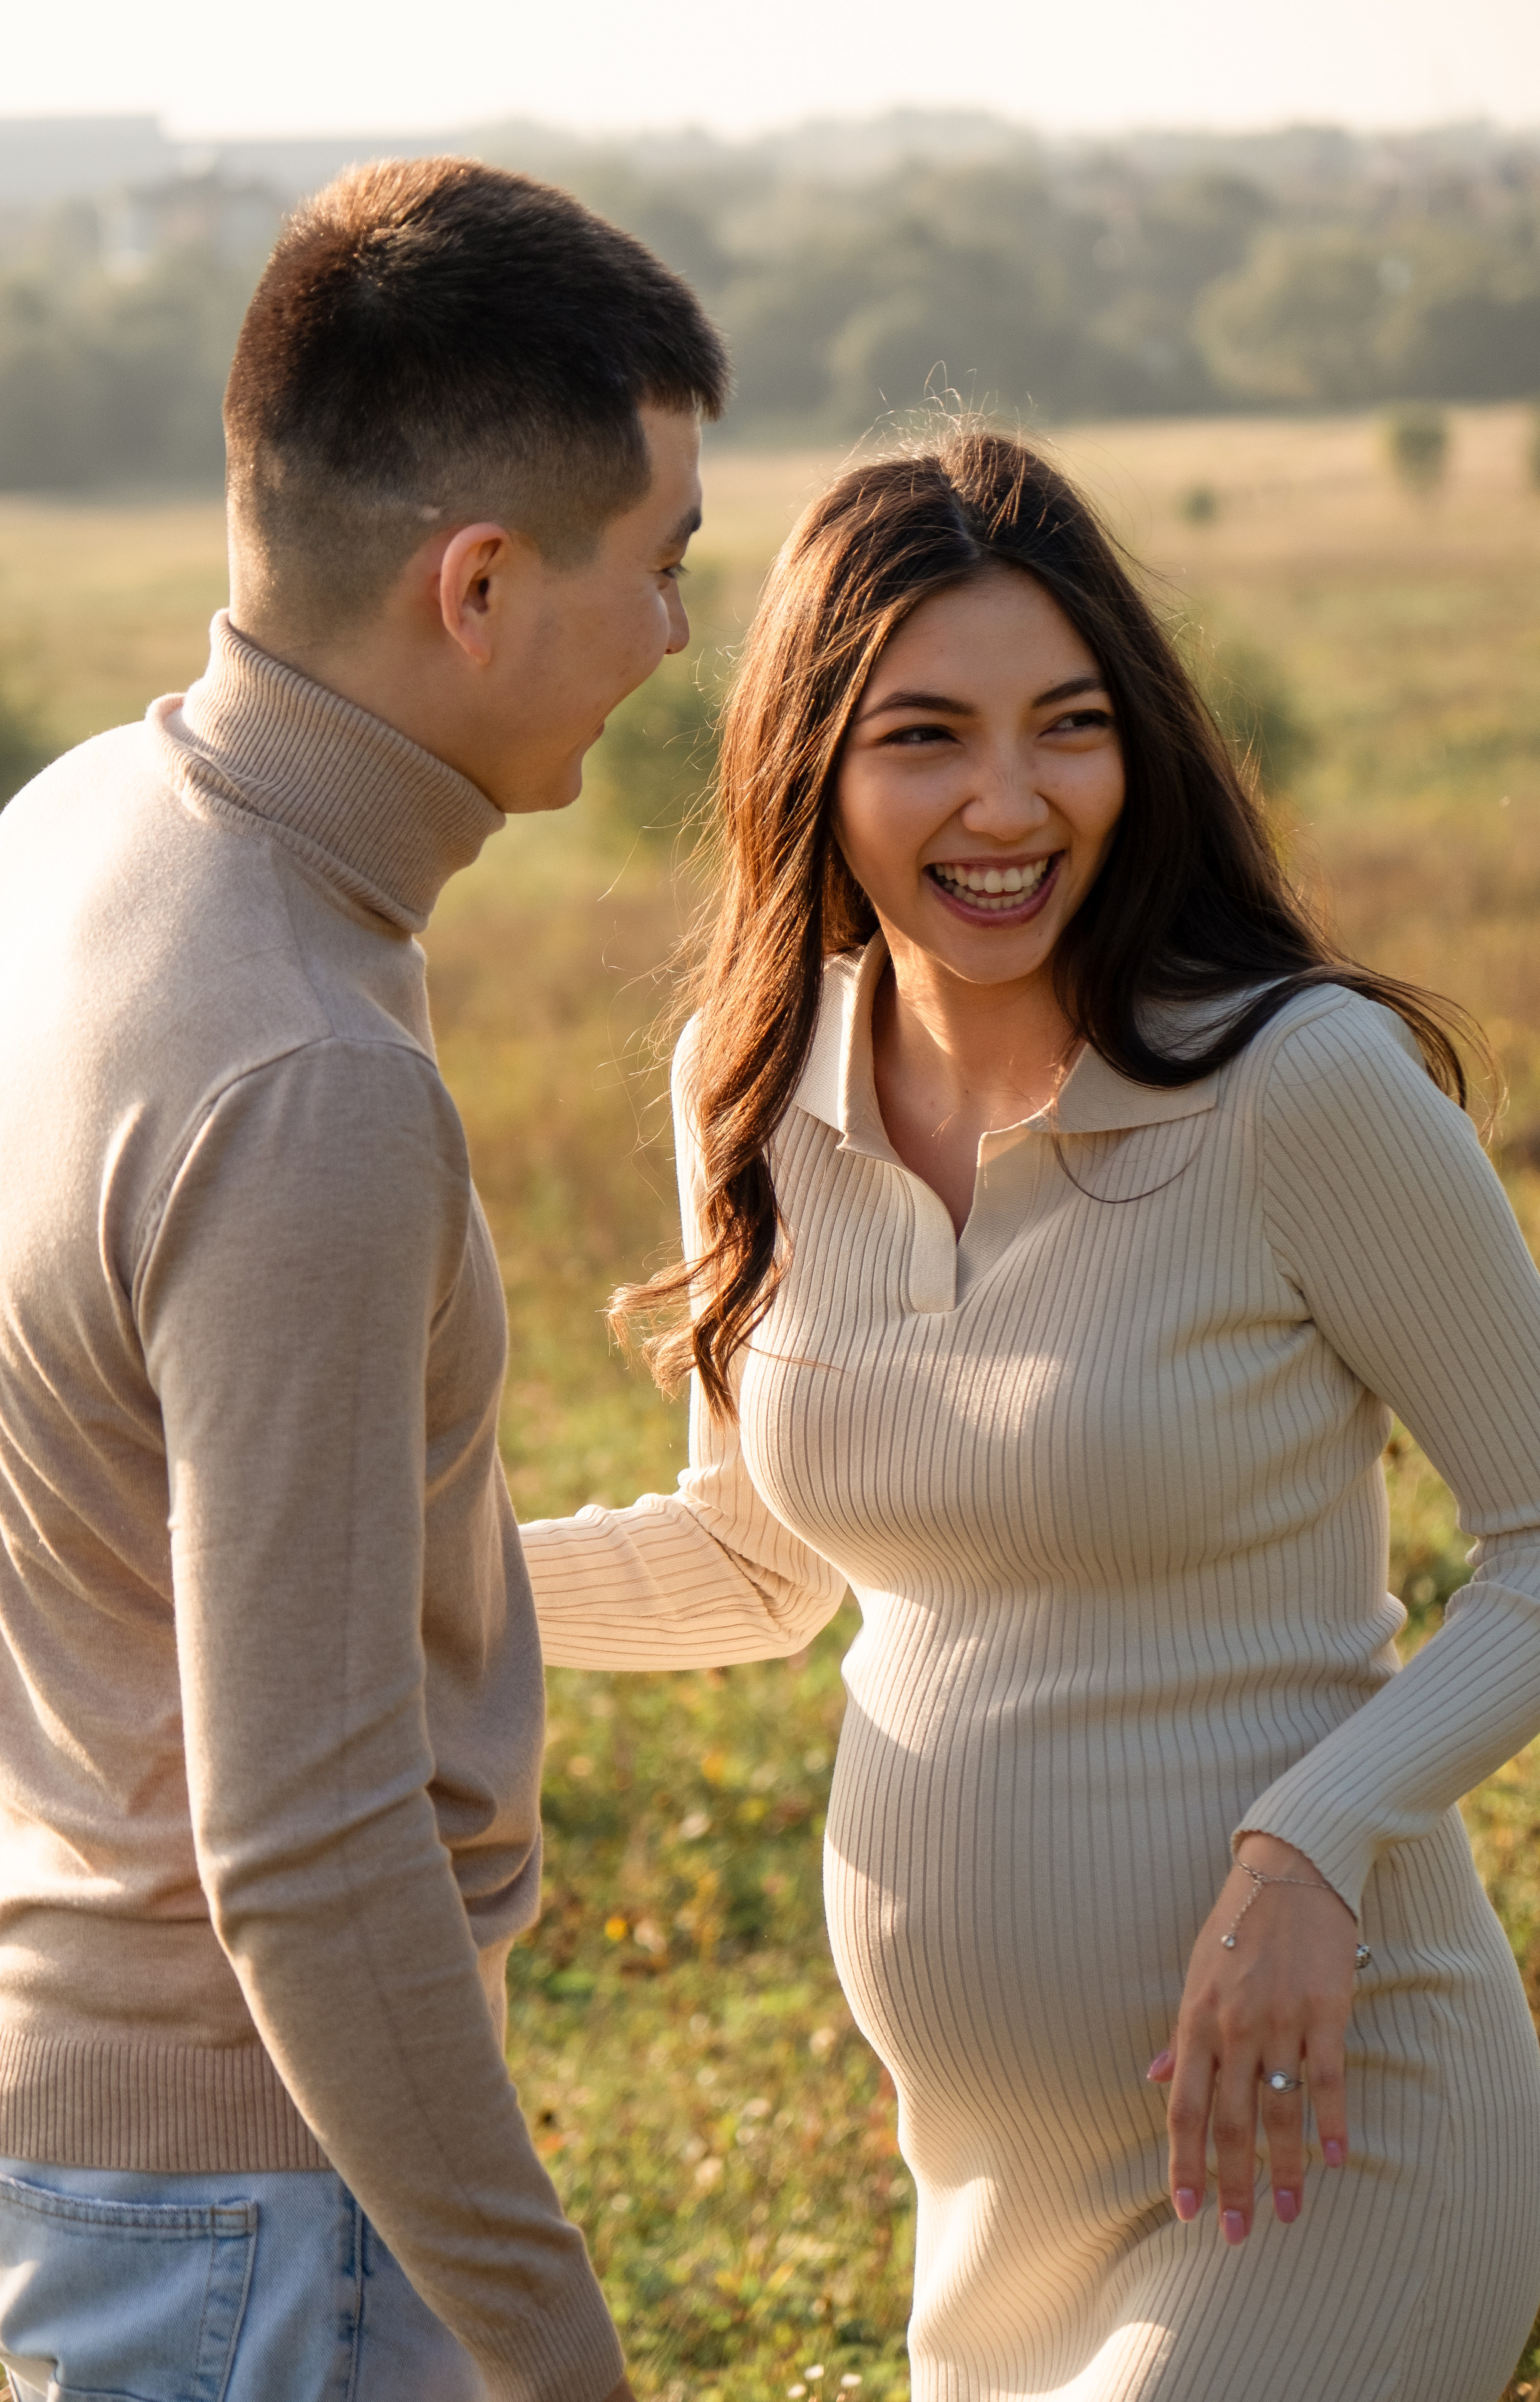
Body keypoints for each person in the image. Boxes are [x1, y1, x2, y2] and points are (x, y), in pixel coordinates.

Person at [522, 429, 1540, 2402]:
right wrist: (383, 1583)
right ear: (812, 763)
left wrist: (1313, 1843)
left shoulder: (1296, 1087)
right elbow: (752, 1560)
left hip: (1326, 2128)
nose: (1010, 802)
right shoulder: (752, 1088)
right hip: (995, 2206)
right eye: (927, 737)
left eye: (1069, 727)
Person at [0, 155, 725, 2401]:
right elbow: (305, 1849)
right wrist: (555, 2357)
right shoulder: (307, 1074)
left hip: (87, 2132)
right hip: (266, 2213)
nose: (678, 637)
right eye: (662, 563)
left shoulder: (67, 834)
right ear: (479, 586)